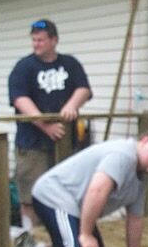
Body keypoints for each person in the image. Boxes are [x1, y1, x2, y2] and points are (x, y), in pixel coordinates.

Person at [9, 19, 92, 231]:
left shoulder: (70, 64)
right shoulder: (24, 67)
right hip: (32, 145)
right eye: (34, 40)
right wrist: (44, 125)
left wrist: (72, 105)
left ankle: (62, 237)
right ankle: (30, 237)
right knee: (30, 197)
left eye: (41, 40)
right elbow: (20, 99)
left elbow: (84, 88)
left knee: (65, 195)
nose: (36, 44)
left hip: (65, 145)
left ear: (54, 40)